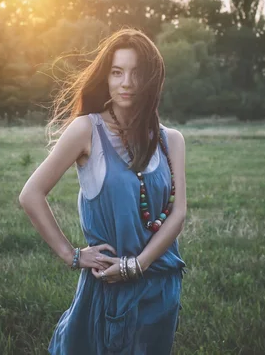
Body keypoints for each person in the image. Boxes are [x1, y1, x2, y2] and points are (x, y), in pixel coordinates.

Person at [19, 28, 188, 354]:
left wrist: (137, 265)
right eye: (116, 72)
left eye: (137, 73)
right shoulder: (87, 130)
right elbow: (31, 194)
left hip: (161, 285)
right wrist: (72, 255)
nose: (126, 82)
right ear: (106, 77)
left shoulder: (172, 140)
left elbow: (178, 213)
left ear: (152, 80)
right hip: (109, 286)